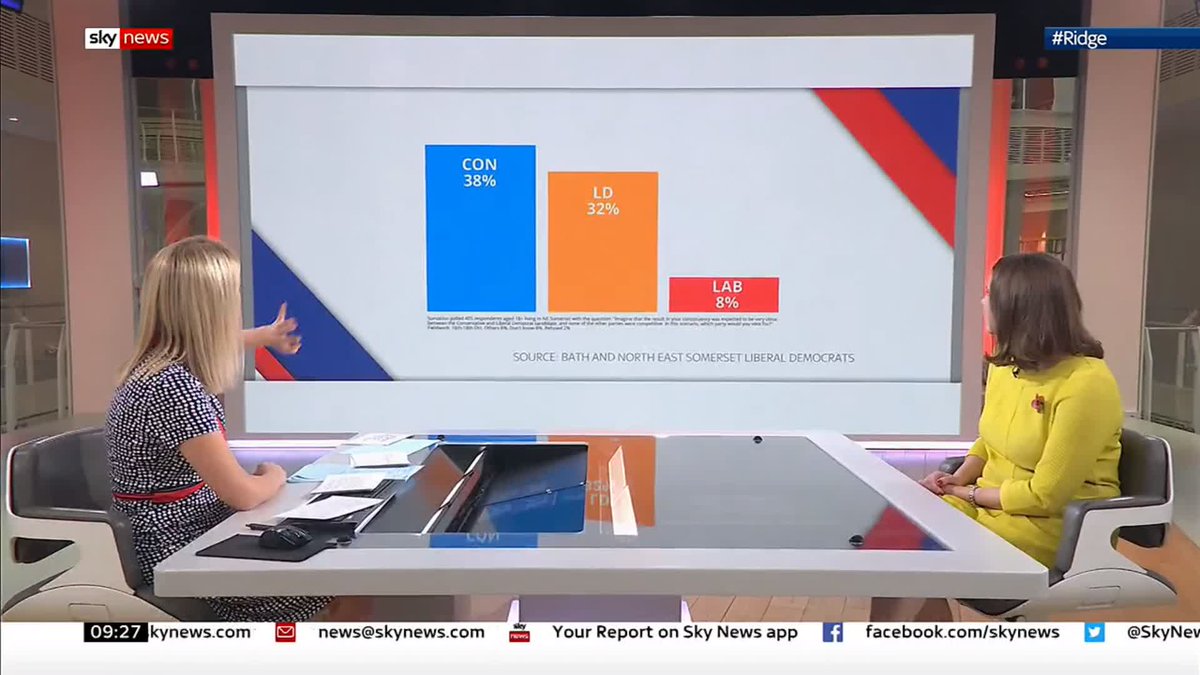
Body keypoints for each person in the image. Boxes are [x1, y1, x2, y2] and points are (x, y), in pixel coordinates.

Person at [107, 236, 362, 621]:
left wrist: (263, 337)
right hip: (177, 549)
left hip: (186, 531)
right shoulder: (174, 389)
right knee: (344, 581)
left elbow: (219, 340)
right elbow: (241, 495)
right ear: (213, 309)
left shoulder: (156, 368)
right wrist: (275, 476)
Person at [872, 253, 1123, 621]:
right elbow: (989, 443)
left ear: (1019, 308)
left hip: (1050, 529)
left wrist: (965, 493)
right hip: (989, 510)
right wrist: (956, 479)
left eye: (990, 293)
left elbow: (1044, 496)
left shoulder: (1086, 384)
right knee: (895, 542)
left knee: (915, 558)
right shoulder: (1007, 368)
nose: (982, 301)